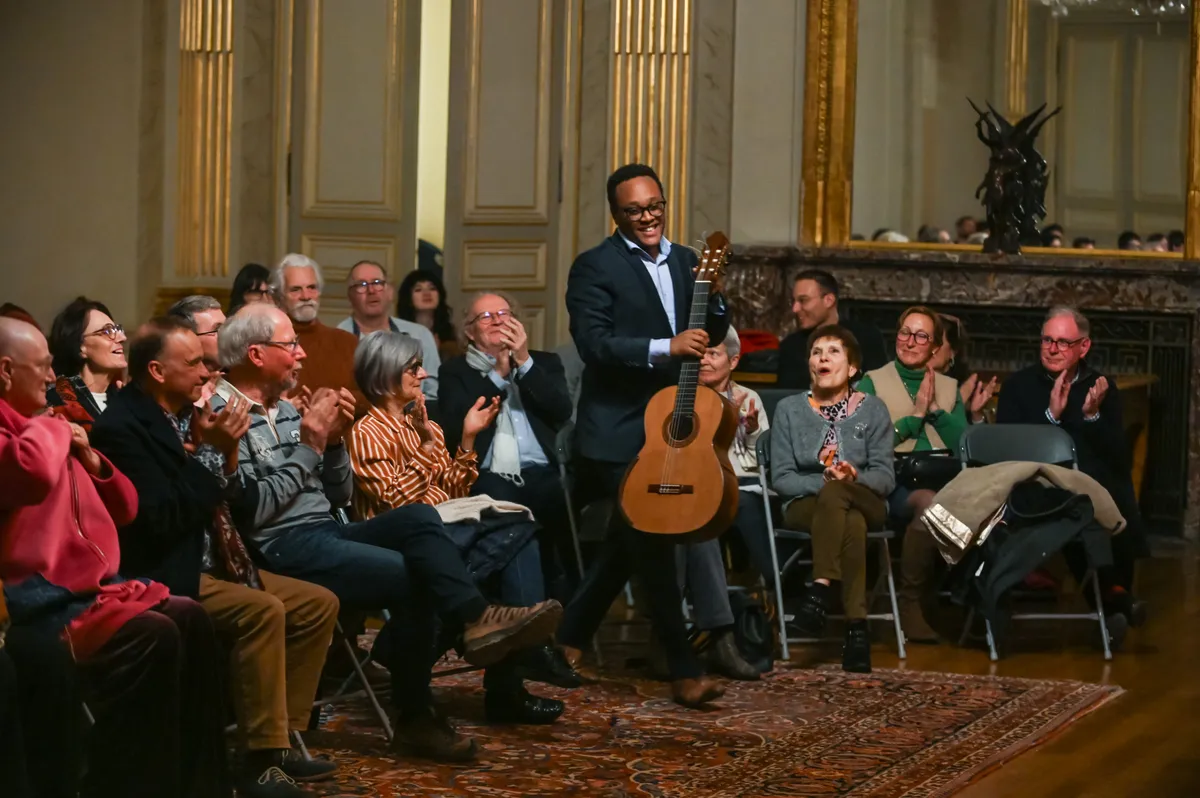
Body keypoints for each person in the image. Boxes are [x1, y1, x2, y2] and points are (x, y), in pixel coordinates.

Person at [210, 305, 561, 762]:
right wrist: (314, 444)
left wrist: (333, 443)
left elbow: (335, 492)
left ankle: (474, 620)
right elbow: (254, 510)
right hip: (278, 546)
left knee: (420, 520)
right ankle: (418, 714)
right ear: (256, 354)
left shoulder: (289, 409)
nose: (301, 353)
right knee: (410, 572)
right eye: (291, 344)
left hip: (326, 530)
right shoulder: (224, 414)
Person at [91, 317, 341, 796]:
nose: (208, 373)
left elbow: (230, 495)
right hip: (163, 570)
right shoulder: (121, 428)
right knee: (262, 610)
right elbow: (161, 519)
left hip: (217, 556)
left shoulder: (186, 413)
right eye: (195, 365)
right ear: (159, 371)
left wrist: (223, 454)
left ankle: (284, 738)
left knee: (316, 604)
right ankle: (259, 760)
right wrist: (213, 453)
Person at [0, 316, 231, 798]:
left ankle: (199, 784)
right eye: (42, 367)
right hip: (42, 602)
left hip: (95, 589)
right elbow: (32, 473)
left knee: (190, 618)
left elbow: (124, 508)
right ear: (5, 372)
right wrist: (53, 430)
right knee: (155, 634)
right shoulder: (29, 435)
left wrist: (94, 461)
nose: (51, 378)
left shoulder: (49, 430)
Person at [347, 330, 579, 724]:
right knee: (513, 539)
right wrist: (423, 448)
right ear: (386, 375)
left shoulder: (426, 425)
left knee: (520, 528)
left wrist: (468, 439)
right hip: (399, 542)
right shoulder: (366, 433)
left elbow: (453, 490)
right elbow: (400, 504)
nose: (423, 376)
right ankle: (519, 669)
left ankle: (512, 660)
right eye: (413, 369)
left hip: (443, 532)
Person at [557, 162, 724, 708]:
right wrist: (664, 347)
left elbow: (709, 329)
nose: (648, 217)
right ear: (616, 214)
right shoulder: (593, 268)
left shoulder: (687, 262)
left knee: (627, 545)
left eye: (655, 206)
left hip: (669, 427)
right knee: (649, 537)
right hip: (617, 431)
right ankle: (683, 666)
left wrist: (713, 301)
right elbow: (595, 344)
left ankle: (567, 639)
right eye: (635, 211)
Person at [996, 306, 1148, 624]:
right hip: (1035, 483)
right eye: (1047, 340)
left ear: (1084, 346)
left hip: (1091, 480)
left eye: (1063, 342)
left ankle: (1114, 594)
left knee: (1111, 490)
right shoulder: (1018, 386)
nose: (1052, 349)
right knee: (1081, 504)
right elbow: (1007, 450)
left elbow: (1117, 455)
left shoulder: (1101, 387)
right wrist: (1052, 416)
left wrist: (1092, 415)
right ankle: (1113, 596)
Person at [771, 324, 895, 673]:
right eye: (816, 352)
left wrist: (853, 476)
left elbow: (885, 478)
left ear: (853, 368)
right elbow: (782, 480)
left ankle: (820, 591)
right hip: (807, 505)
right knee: (848, 519)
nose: (822, 357)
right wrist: (825, 482)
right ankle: (857, 631)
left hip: (866, 498)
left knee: (845, 497)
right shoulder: (788, 410)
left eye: (833, 351)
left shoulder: (874, 410)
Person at [437, 292, 579, 596]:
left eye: (504, 313)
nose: (498, 320)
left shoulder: (544, 363)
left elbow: (561, 410)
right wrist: (499, 374)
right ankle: (523, 614)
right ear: (469, 332)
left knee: (563, 504)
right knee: (509, 513)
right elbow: (456, 425)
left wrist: (523, 363)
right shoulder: (454, 372)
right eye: (486, 317)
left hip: (544, 470)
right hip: (489, 474)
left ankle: (566, 610)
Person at [857, 307, 972, 643]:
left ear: (935, 347)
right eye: (905, 333)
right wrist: (913, 417)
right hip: (893, 478)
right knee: (930, 504)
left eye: (921, 336)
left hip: (944, 474)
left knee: (980, 503)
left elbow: (963, 444)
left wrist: (934, 411)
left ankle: (970, 599)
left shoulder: (949, 388)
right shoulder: (872, 382)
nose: (909, 342)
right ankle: (910, 602)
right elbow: (865, 442)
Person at [678, 325, 769, 680]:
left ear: (733, 361)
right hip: (689, 489)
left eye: (712, 353)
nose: (704, 361)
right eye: (699, 354)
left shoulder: (748, 398)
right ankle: (685, 633)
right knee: (685, 524)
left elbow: (762, 457)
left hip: (739, 486)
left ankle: (718, 632)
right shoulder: (681, 396)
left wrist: (745, 426)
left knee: (714, 518)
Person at [271, 253, 367, 413]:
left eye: (312, 288)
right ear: (279, 297)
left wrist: (339, 397)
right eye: (295, 290)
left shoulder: (347, 343)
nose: (306, 296)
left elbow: (375, 399)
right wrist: (286, 410)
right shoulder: (268, 347)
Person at [335, 260, 441, 398]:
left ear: (390, 292)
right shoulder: (337, 338)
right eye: (362, 285)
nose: (371, 291)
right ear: (350, 296)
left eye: (377, 283)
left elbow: (434, 394)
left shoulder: (420, 335)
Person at [776, 270, 887, 391]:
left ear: (829, 300)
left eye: (803, 300)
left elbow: (880, 389)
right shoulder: (790, 347)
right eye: (794, 301)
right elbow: (787, 398)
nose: (795, 309)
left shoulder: (867, 337)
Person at [45, 296, 127, 430]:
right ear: (80, 347)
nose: (123, 338)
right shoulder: (56, 401)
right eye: (107, 331)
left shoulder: (122, 398)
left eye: (117, 330)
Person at [927, 313, 997, 423]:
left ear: (952, 352)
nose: (930, 347)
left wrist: (976, 415)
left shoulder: (968, 387)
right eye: (926, 339)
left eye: (938, 342)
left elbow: (978, 438)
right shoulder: (906, 380)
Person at [168, 295, 227, 402]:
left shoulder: (239, 375)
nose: (228, 335)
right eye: (218, 329)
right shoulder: (177, 390)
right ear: (190, 337)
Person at [396, 269, 461, 360]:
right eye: (418, 290)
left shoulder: (450, 333)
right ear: (408, 298)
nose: (427, 293)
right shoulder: (398, 332)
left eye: (432, 288)